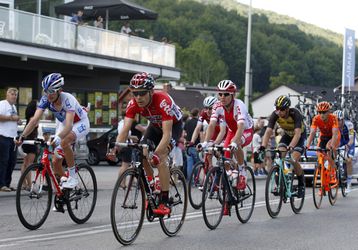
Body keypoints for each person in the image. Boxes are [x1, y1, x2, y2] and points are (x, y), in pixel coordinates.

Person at [112, 72, 182, 216]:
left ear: (151, 91)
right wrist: (116, 147)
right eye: (135, 93)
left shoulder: (163, 101)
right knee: (141, 152)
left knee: (160, 158)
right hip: (155, 127)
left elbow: (167, 134)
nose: (138, 97)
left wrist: (156, 153)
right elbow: (125, 129)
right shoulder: (133, 104)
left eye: (142, 93)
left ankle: (163, 201)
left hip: (172, 127)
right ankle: (151, 184)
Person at [16, 73, 90, 191]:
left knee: (65, 141)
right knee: (55, 161)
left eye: (52, 91)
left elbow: (70, 125)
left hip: (80, 122)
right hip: (64, 124)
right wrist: (22, 136)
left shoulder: (68, 99)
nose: (48, 94)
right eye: (46, 91)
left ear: (59, 90)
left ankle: (73, 176)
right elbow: (34, 120)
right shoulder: (45, 99)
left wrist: (59, 137)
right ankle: (64, 189)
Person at [199, 80, 253, 215]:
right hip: (231, 131)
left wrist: (234, 142)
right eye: (220, 94)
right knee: (225, 160)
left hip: (245, 131)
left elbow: (240, 127)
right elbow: (211, 125)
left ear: (233, 95)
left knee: (237, 144)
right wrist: (206, 142)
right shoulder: (217, 105)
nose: (222, 97)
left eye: (226, 94)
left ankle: (242, 172)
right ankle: (228, 195)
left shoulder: (239, 105)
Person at [259, 95, 306, 197]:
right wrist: (263, 146)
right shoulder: (275, 115)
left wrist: (292, 146)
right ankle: (280, 182)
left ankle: (301, 184)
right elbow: (268, 132)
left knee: (293, 159)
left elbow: (297, 133)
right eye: (277, 108)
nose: (279, 111)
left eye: (282, 109)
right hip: (287, 136)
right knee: (280, 155)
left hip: (300, 137)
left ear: (288, 109)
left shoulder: (295, 114)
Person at [306, 101, 340, 183]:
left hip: (333, 136)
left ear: (329, 112)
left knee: (328, 148)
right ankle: (323, 175)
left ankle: (333, 171)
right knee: (319, 153)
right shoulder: (316, 118)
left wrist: (332, 146)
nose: (322, 114)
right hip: (324, 136)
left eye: (324, 112)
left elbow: (335, 134)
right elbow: (312, 133)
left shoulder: (333, 118)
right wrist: (307, 145)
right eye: (320, 112)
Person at [0, 88, 21, 192]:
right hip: (3, 137)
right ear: (7, 95)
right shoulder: (2, 104)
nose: (14, 96)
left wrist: (18, 121)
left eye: (16, 95)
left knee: (12, 162)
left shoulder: (13, 107)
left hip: (12, 138)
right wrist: (12, 118)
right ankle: (1, 184)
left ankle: (7, 184)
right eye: (12, 94)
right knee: (3, 161)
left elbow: (13, 119)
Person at [333, 110, 355, 193]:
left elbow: (352, 138)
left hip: (349, 141)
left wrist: (348, 145)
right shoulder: (334, 126)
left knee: (348, 160)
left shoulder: (349, 125)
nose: (337, 122)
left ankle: (349, 183)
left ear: (342, 120)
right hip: (340, 140)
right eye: (335, 120)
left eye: (338, 120)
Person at [20, 100, 38, 190]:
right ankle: (30, 184)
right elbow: (33, 129)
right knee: (29, 164)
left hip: (25, 142)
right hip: (31, 142)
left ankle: (24, 184)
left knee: (25, 163)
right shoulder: (33, 119)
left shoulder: (28, 118)